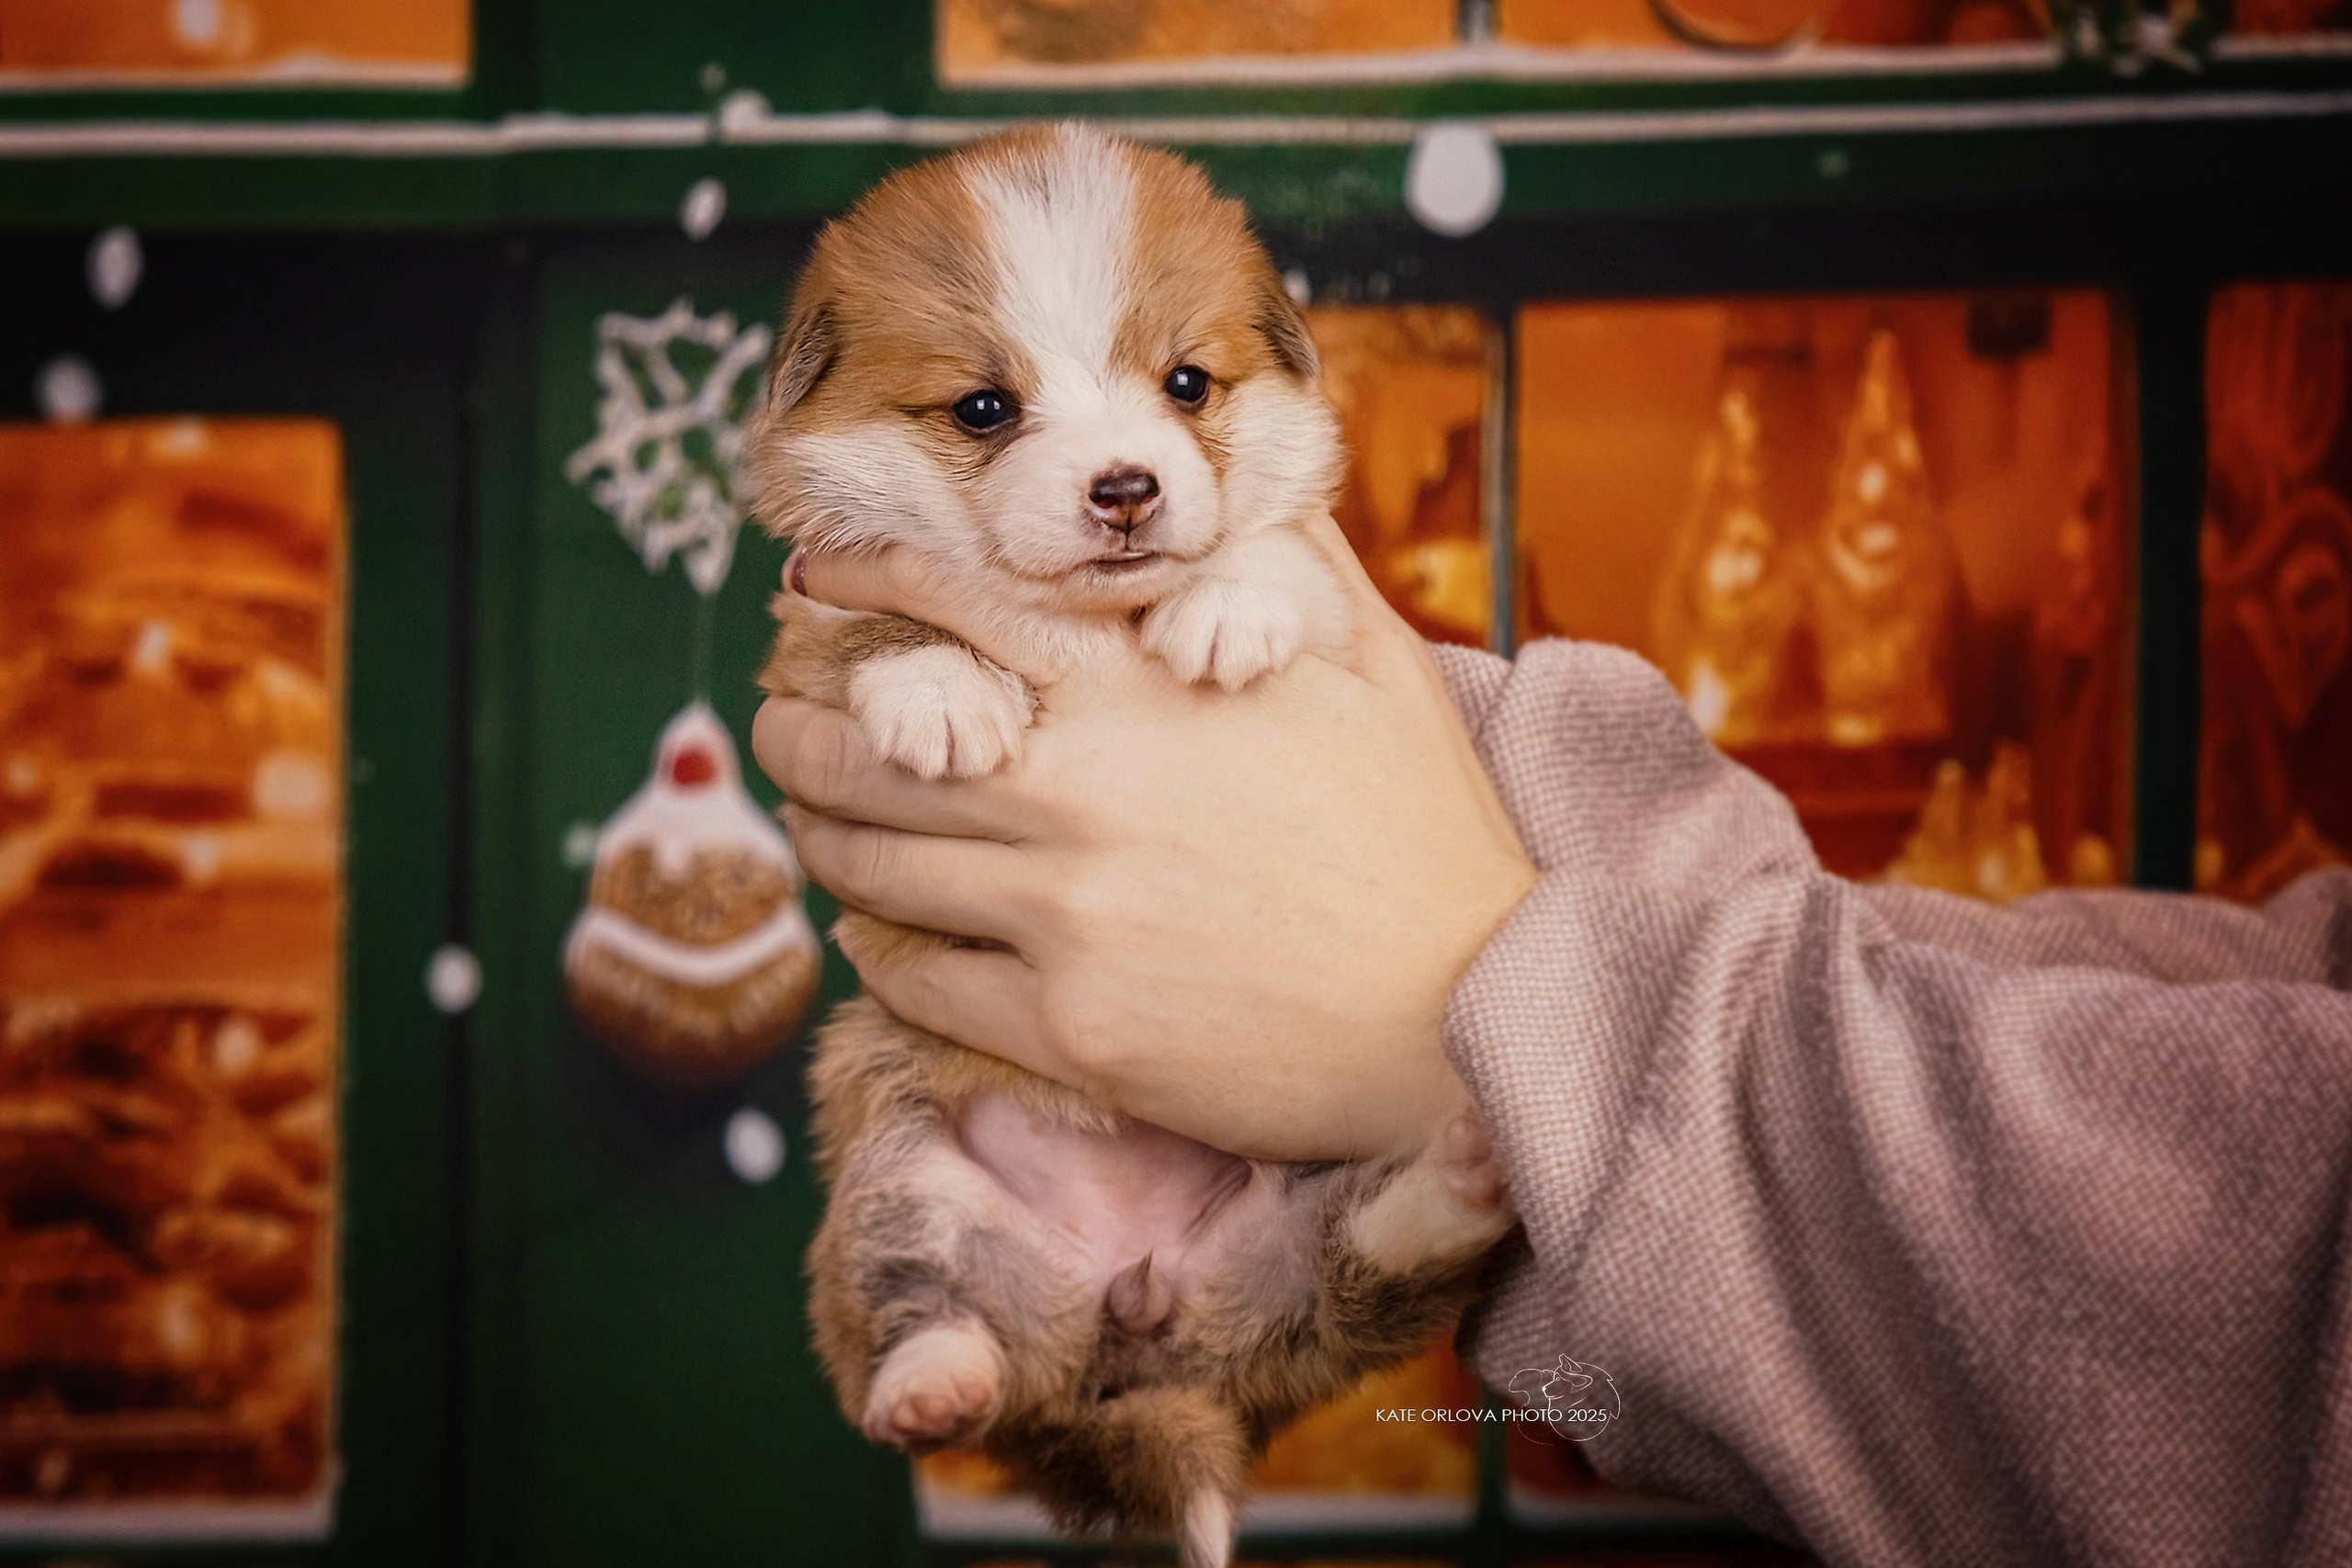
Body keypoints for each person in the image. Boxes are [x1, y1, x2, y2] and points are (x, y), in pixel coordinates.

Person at [752, 516, 2352, 1568]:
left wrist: (1499, 979)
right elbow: (2262, 1022)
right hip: (1074, 1179)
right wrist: (1517, 909)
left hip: (1269, 1210)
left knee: (1330, 1258)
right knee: (934, 1205)